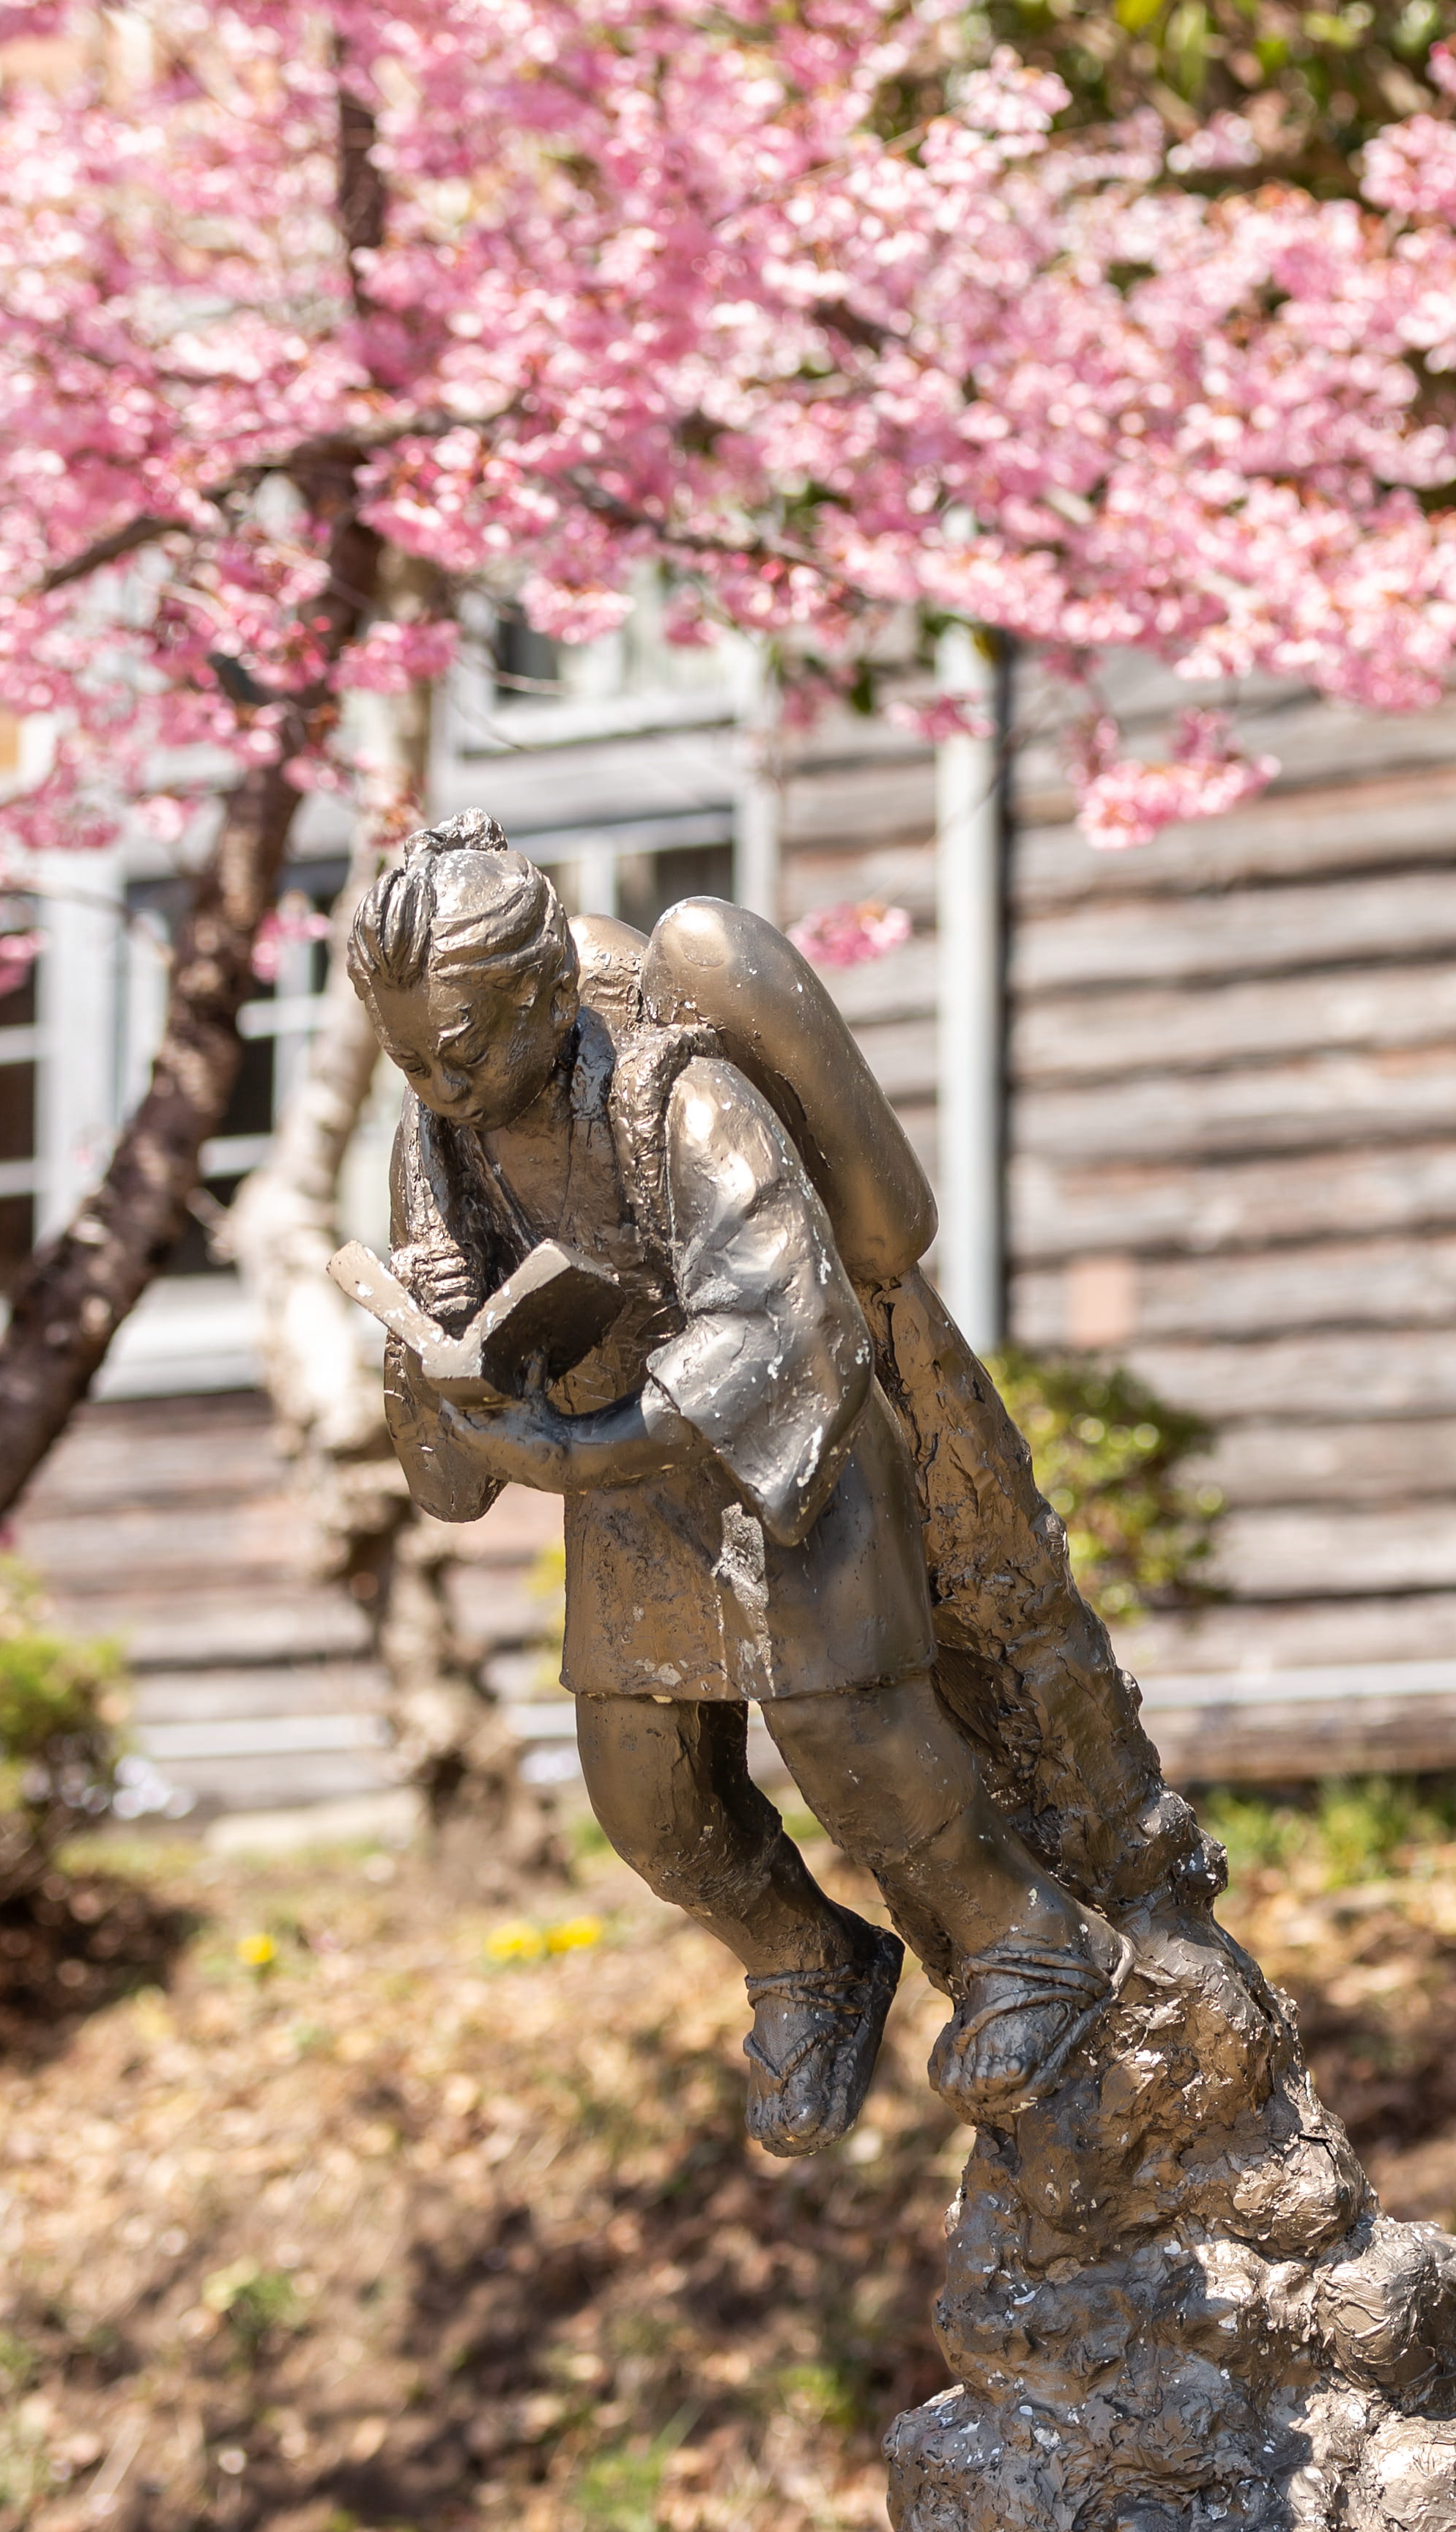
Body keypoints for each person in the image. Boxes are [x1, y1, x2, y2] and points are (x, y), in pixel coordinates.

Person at [346, 812, 1126, 2154]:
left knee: (850, 1737)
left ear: (540, 994)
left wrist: (585, 1450)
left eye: (464, 1050)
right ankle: (801, 1955)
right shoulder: (442, 1145)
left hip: (787, 1468)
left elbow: (785, 1322)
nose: (444, 1085)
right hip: (627, 1489)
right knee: (640, 1785)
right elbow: (449, 1454)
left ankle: (1024, 1941)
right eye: (411, 1059)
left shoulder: (682, 1096)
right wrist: (439, 1354)